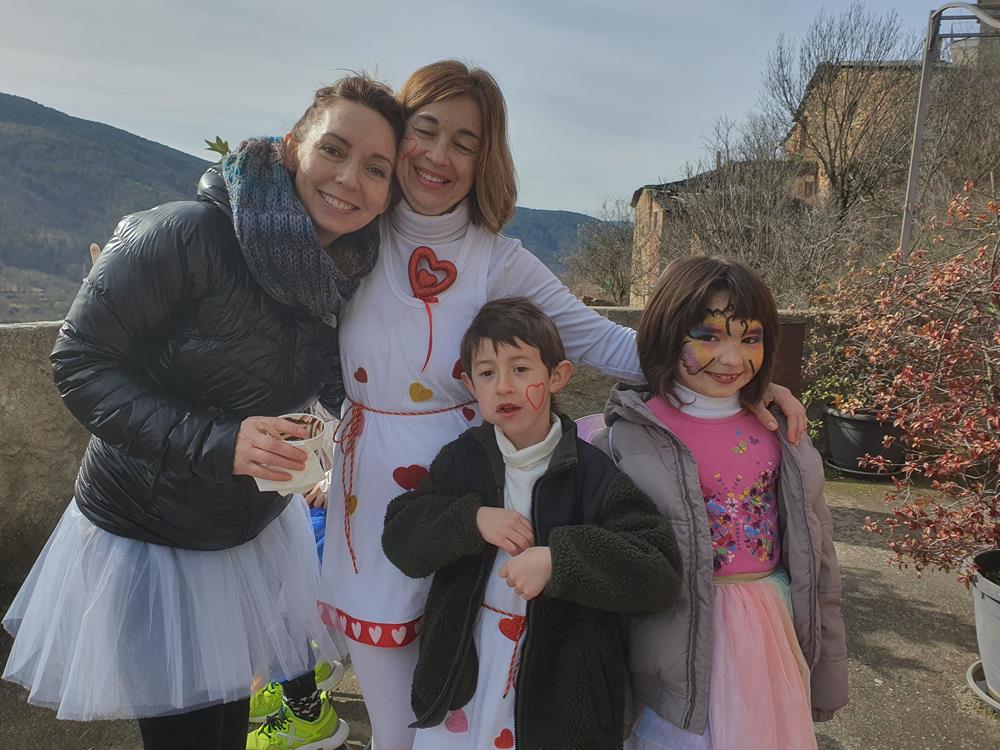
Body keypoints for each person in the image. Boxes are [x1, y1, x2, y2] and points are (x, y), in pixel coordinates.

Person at [317, 59, 809, 750]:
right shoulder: (349, 236)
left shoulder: (499, 260)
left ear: (486, 159)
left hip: (480, 478)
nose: (438, 155)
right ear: (396, 134)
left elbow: (609, 343)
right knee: (396, 725)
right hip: (374, 494)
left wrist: (736, 383)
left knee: (470, 693)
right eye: (424, 130)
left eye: (464, 141)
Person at [1, 76, 404, 750]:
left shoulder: (341, 272)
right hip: (148, 539)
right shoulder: (185, 234)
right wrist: (219, 442)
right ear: (292, 147)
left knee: (224, 727)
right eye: (333, 150)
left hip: (246, 537)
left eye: (375, 168)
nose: (348, 179)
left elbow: (342, 380)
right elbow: (79, 364)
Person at [382, 297, 682, 750]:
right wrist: (470, 520)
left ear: (557, 376)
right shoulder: (463, 461)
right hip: (466, 678)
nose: (503, 386)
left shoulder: (593, 474)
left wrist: (560, 560)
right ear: (470, 385)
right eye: (487, 373)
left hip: (559, 695)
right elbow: (401, 539)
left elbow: (656, 571)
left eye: (520, 369)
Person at [592, 257, 848, 750]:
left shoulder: (784, 433)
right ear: (667, 333)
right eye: (708, 336)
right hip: (671, 651)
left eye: (750, 338)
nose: (732, 358)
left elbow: (821, 561)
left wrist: (830, 669)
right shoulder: (626, 438)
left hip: (768, 640)